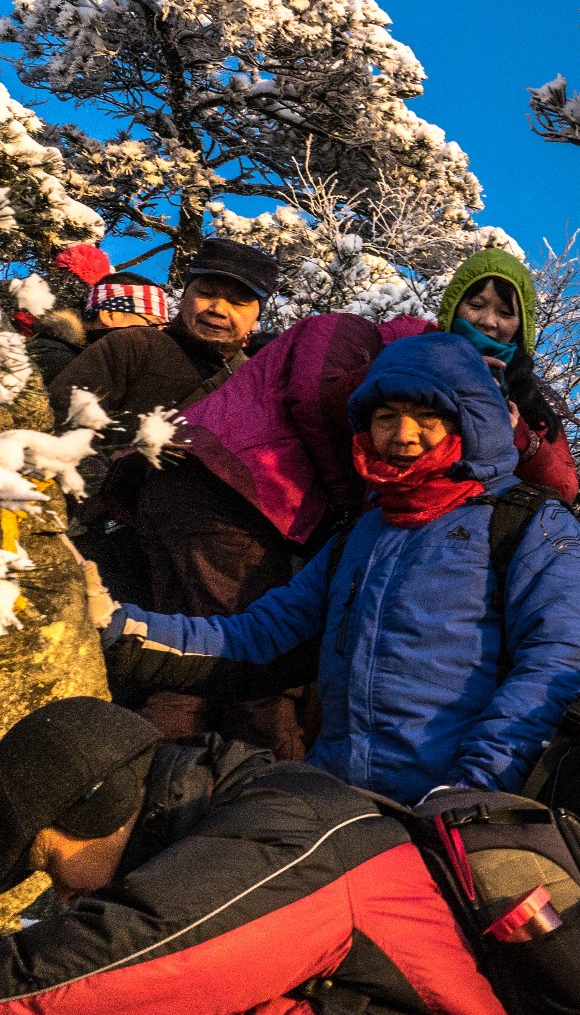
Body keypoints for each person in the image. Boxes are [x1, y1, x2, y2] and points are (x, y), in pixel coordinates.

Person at [0, 696, 571, 1015]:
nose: (62, 894)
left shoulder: (281, 833)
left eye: (50, 862)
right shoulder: (204, 851)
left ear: (102, 803)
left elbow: (80, 994)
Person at [101, 332, 580, 802]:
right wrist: (114, 629)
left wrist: (472, 793)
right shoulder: (365, 533)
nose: (402, 436)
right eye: (386, 417)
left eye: (426, 418)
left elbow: (561, 665)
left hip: (452, 810)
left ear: (468, 421)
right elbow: (259, 637)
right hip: (339, 799)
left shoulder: (530, 526)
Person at [113, 311, 434, 756]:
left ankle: (144, 784)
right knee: (248, 662)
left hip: (186, 485)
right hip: (226, 490)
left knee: (191, 666)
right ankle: (266, 788)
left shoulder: (357, 347)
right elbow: (313, 400)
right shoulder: (347, 329)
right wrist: (348, 499)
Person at [48, 238, 279, 600]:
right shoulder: (133, 346)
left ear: (256, 315)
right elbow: (62, 421)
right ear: (184, 295)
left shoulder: (253, 383)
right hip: (105, 544)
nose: (219, 309)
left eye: (238, 302)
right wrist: (107, 504)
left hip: (200, 557)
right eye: (206, 293)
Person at [438, 248, 579, 502]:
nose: (488, 321)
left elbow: (566, 488)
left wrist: (518, 434)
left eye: (505, 313)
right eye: (476, 305)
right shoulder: (413, 354)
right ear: (453, 305)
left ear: (522, 325)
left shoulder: (531, 396)